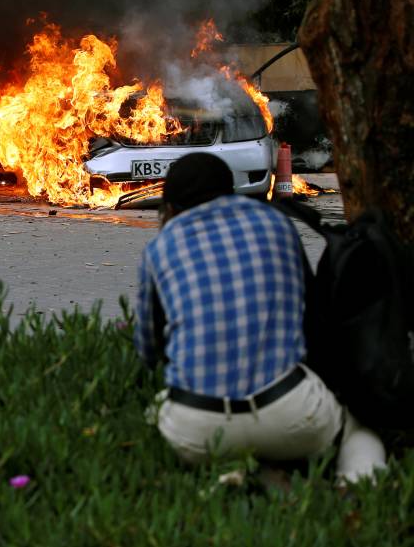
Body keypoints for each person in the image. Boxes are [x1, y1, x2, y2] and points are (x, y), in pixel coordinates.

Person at [134, 152, 385, 483]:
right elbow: (311, 318)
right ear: (229, 192)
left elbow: (149, 352)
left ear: (170, 208)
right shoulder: (276, 221)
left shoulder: (159, 248)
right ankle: (356, 488)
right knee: (357, 429)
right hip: (289, 411)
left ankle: (237, 475)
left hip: (198, 427)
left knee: (159, 409)